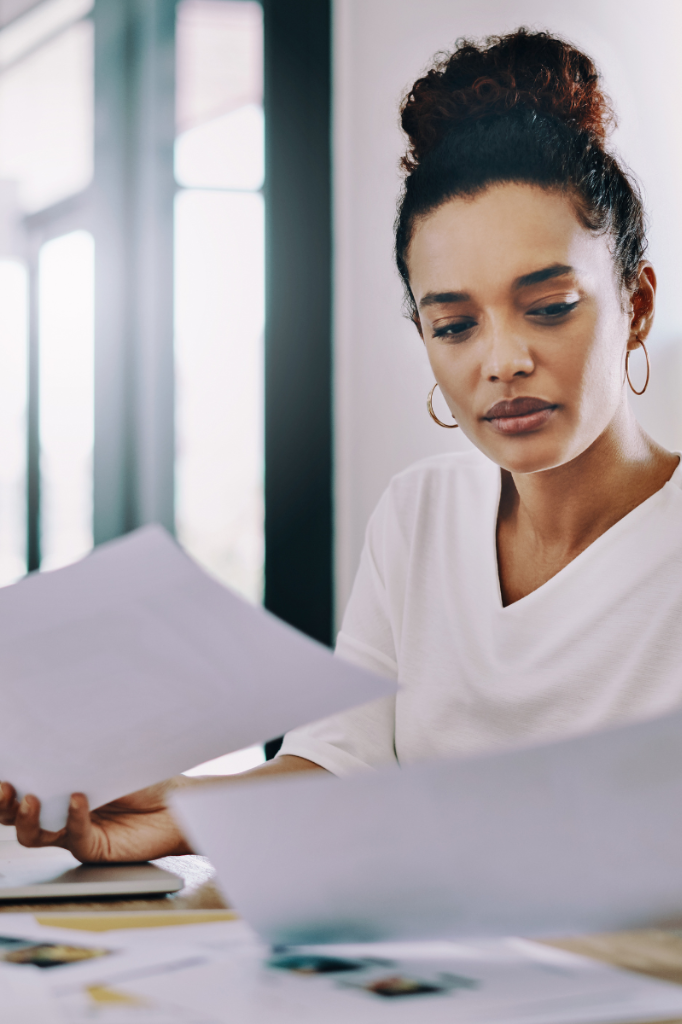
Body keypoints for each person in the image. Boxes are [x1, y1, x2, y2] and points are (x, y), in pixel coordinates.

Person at [2, 28, 680, 862]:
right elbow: (340, 762)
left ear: (637, 305)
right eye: (455, 325)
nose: (502, 361)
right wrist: (175, 810)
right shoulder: (419, 515)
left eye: (548, 307)